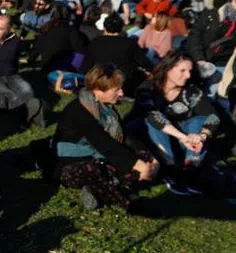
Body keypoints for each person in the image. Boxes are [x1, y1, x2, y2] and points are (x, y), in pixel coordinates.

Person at [52, 64, 160, 213]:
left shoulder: (104, 106)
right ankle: (128, 202)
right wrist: (136, 164)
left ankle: (97, 190)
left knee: (141, 158)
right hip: (72, 163)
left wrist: (148, 156)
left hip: (102, 156)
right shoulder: (80, 110)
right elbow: (103, 143)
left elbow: (123, 134)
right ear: (98, 90)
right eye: (116, 90)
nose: (121, 93)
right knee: (94, 170)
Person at [130, 52, 224, 195]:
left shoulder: (190, 91)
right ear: (168, 69)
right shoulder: (148, 88)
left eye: (190, 71)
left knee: (199, 120)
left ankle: (191, 165)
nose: (187, 75)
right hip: (150, 137)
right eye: (182, 70)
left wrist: (202, 136)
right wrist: (182, 137)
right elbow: (151, 116)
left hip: (182, 138)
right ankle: (170, 167)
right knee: (154, 119)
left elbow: (213, 116)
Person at [82, 14, 150, 91]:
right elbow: (145, 63)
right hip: (123, 83)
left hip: (101, 81)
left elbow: (85, 64)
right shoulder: (129, 43)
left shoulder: (95, 42)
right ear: (121, 28)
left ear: (105, 28)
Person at [185, 0, 236, 66]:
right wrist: (199, 59)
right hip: (203, 58)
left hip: (228, 63)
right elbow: (195, 36)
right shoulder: (212, 13)